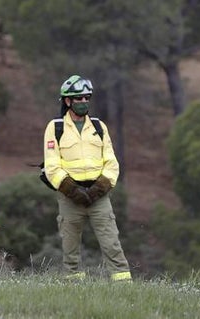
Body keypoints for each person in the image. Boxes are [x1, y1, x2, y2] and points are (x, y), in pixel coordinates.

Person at [42, 75, 131, 281]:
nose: (83, 102)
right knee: (70, 249)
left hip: (98, 196)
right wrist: (72, 191)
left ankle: (124, 284)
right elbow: (52, 166)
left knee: (112, 243)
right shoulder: (55, 128)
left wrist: (99, 188)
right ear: (68, 101)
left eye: (86, 98)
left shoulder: (99, 127)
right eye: (78, 98)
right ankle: (74, 286)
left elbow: (111, 163)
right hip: (69, 197)